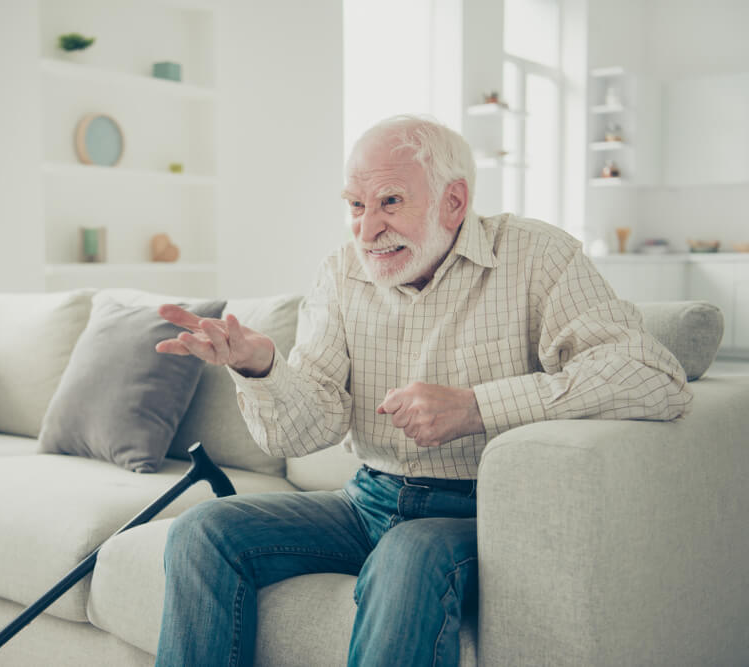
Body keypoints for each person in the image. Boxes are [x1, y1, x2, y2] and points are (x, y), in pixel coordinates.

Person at [152, 115, 692, 667]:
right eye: (357, 206)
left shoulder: (538, 256)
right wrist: (262, 367)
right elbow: (305, 431)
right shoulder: (341, 274)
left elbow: (653, 378)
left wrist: (478, 407)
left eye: (389, 202)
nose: (366, 231)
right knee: (202, 531)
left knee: (407, 553)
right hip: (366, 501)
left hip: (481, 511)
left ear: (453, 201)